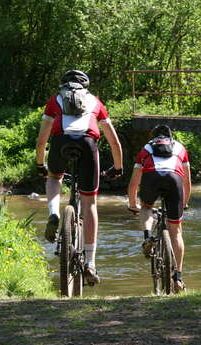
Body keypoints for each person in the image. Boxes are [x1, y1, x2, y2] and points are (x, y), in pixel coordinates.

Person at [36, 70, 123, 285]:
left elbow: (41, 140)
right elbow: (114, 142)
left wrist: (40, 164)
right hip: (87, 144)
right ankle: (91, 263)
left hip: (60, 142)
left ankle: (54, 213)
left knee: (54, 177)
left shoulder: (55, 100)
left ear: (63, 85)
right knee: (89, 202)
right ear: (86, 86)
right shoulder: (95, 102)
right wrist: (118, 167)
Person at [127, 124, 191, 292]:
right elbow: (187, 182)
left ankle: (148, 236)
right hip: (174, 180)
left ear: (153, 137)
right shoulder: (180, 147)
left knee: (147, 207)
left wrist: (133, 204)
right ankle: (178, 278)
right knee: (176, 231)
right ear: (171, 136)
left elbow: (134, 182)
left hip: (151, 178)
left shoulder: (146, 149)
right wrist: (184, 203)